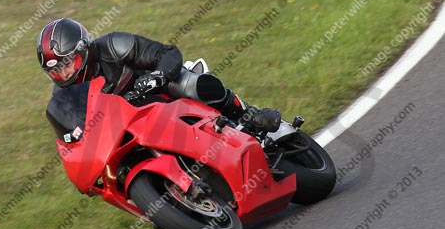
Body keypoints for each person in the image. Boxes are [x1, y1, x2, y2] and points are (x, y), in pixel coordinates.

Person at [37, 17, 281, 140]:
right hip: (132, 131)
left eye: (68, 63)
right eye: (56, 70)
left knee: (192, 84)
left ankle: (250, 114)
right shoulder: (64, 99)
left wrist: (156, 77)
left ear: (84, 50)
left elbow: (167, 53)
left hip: (160, 95)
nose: (65, 73)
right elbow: (77, 141)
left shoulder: (113, 46)